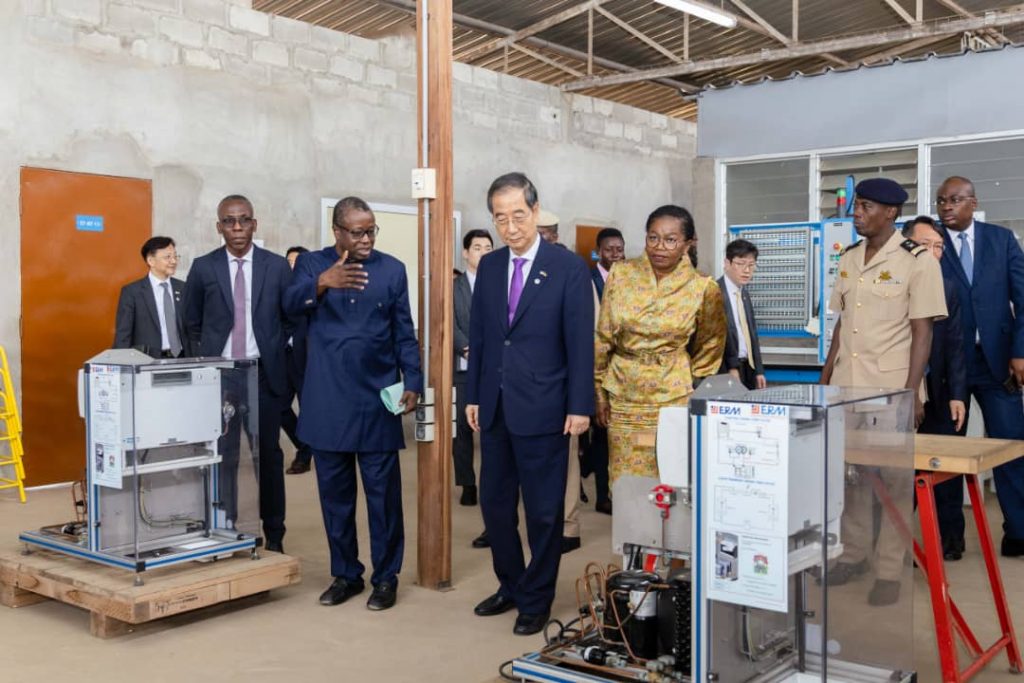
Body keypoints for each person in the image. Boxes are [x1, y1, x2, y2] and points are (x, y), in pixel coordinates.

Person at [466, 172, 593, 636]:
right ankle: (511, 584)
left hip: (546, 406)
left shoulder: (567, 268)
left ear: (536, 212)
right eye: (501, 218)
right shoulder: (491, 266)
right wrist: (473, 395)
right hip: (495, 405)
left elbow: (580, 343)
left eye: (519, 215)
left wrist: (580, 406)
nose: (511, 227)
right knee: (495, 506)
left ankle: (537, 598)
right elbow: (482, 335)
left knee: (542, 511)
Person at [285, 196, 422, 612]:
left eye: (371, 230)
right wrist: (323, 282)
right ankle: (346, 575)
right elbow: (287, 305)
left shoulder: (392, 270)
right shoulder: (312, 265)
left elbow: (404, 332)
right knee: (336, 499)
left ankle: (386, 578)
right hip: (327, 402)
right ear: (337, 232)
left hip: (377, 402)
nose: (366, 239)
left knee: (384, 500)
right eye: (358, 232)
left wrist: (413, 380)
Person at [821, 178, 947, 606]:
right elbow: (842, 324)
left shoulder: (917, 261)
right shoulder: (849, 257)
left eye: (866, 206)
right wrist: (825, 379)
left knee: (893, 482)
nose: (856, 213)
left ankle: (890, 569)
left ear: (891, 212)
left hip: (890, 388)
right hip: (847, 387)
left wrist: (911, 394)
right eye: (856, 205)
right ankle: (854, 555)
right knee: (851, 478)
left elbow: (923, 332)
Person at [183, 195, 293, 553]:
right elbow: (191, 322)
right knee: (225, 456)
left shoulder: (276, 267)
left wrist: (276, 353)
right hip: (222, 376)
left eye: (244, 220)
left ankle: (274, 534)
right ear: (219, 227)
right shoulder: (204, 267)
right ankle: (226, 528)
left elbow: (290, 318)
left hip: (263, 375)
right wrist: (205, 362)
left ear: (254, 224)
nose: (237, 228)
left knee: (269, 457)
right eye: (229, 221)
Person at [595, 205, 727, 486]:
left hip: (673, 395)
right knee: (626, 481)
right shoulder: (621, 274)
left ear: (688, 244)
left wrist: (694, 381)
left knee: (672, 477)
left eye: (670, 240)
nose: (659, 247)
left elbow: (712, 342)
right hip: (624, 394)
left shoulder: (702, 287)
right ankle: (630, 518)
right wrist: (599, 393)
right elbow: (603, 336)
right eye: (653, 238)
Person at [936, 176, 1024, 558]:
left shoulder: (1001, 240)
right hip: (948, 365)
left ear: (973, 202)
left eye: (955, 200)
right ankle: (949, 537)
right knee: (945, 451)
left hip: (997, 364)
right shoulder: (930, 243)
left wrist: (1020, 351)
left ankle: (1018, 531)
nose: (946, 207)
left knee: (1010, 446)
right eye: (941, 200)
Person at [903, 216, 968, 560]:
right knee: (901, 472)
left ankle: (951, 539)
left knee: (945, 466)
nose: (933, 252)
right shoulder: (893, 283)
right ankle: (897, 548)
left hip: (939, 389)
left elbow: (956, 344)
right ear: (906, 246)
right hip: (901, 389)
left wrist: (958, 394)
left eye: (939, 246)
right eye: (925, 244)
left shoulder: (948, 287)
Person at [586, 227, 625, 516]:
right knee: (600, 433)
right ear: (599, 251)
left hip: (624, 368)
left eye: (619, 249)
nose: (615, 255)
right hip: (597, 366)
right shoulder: (587, 280)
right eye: (609, 250)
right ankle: (602, 495)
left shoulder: (630, 279)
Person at [454, 229, 493, 517]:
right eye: (477, 247)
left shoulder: (502, 283)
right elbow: (448, 323)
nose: (483, 252)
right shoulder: (454, 287)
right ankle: (467, 483)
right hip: (464, 366)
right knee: (462, 430)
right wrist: (467, 348)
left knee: (491, 429)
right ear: (466, 253)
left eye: (488, 248)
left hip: (494, 369)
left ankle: (492, 483)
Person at [113, 236, 188, 358]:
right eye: (168, 257)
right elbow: (123, 334)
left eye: (175, 256)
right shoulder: (132, 292)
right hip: (148, 360)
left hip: (183, 358)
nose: (174, 261)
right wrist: (121, 362)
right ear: (151, 261)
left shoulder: (183, 288)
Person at [281, 246, 314, 475]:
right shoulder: (279, 287)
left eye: (297, 262)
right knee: (280, 408)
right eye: (289, 262)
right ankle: (304, 446)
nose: (292, 266)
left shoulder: (313, 289)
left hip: (307, 359)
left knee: (307, 410)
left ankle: (304, 457)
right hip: (283, 356)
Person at [718, 239, 766, 390]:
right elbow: (718, 336)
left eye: (751, 265)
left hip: (747, 368)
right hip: (725, 369)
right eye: (740, 264)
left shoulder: (744, 294)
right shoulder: (715, 292)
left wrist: (759, 370)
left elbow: (752, 334)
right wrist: (731, 367)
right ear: (727, 263)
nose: (747, 270)